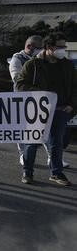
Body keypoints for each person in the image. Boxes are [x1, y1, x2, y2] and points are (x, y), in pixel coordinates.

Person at [16, 34, 76, 186]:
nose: (63, 50)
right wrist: (44, 95)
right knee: (32, 141)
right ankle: (27, 172)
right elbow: (21, 86)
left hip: (61, 109)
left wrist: (72, 105)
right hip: (37, 110)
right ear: (49, 47)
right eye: (60, 47)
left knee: (56, 142)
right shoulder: (33, 65)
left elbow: (75, 87)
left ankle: (56, 173)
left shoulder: (67, 65)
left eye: (64, 46)